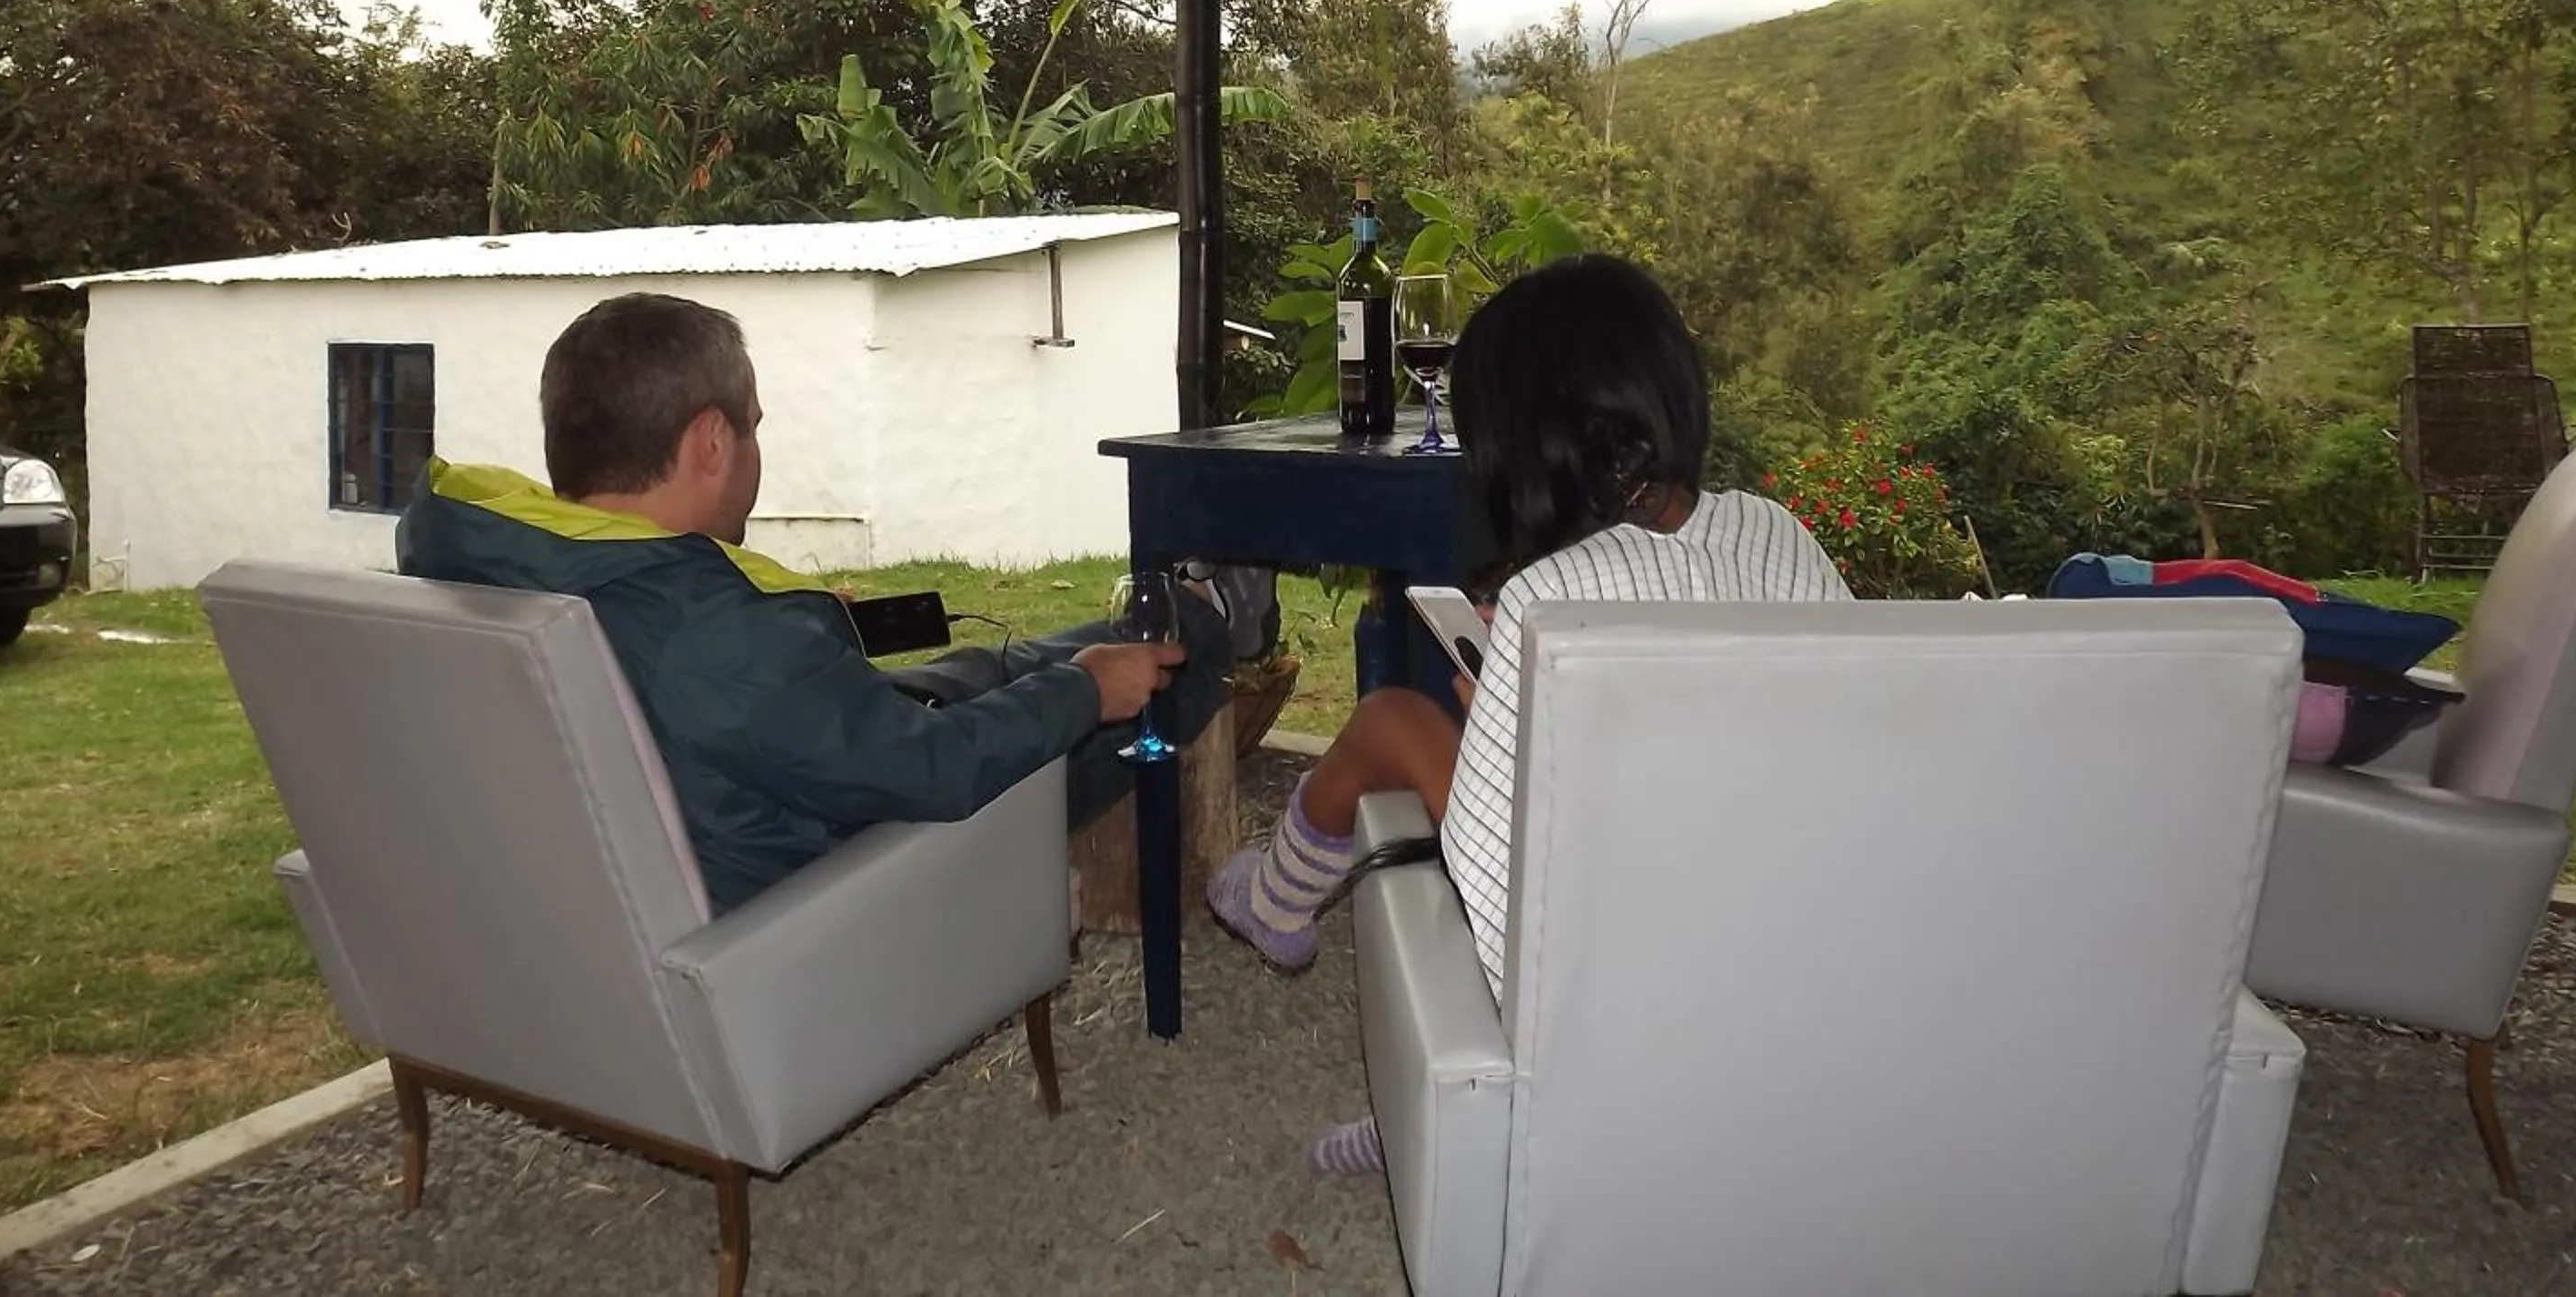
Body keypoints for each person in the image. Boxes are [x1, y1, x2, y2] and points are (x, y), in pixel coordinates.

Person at [1204, 254, 1850, 1175]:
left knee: (1393, 720)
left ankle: (1419, 1106)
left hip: (1629, 999)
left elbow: (1512, 934)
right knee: (1400, 719)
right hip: (1796, 954)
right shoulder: (1779, 531)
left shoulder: (1549, 598)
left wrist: (1505, 722)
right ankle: (1283, 907)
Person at [396, 291, 1230, 916]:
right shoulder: (715, 631)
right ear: (712, 442)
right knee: (1141, 684)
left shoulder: (491, 558)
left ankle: (1156, 625)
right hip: (834, 871)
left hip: (760, 773)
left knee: (996, 665)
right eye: (753, 427)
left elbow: (764, 702)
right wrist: (1084, 691)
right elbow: (934, 770)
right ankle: (1208, 621)